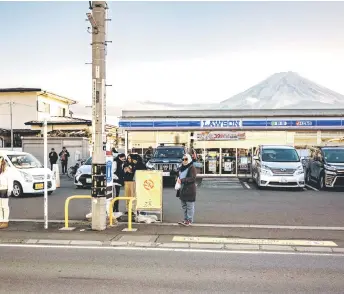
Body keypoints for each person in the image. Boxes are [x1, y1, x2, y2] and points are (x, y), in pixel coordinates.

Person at [176, 154, 197, 226]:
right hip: (182, 190)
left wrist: (182, 180)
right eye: (183, 159)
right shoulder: (182, 168)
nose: (184, 161)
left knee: (189, 206)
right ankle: (185, 219)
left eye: (186, 159)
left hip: (189, 190)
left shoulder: (192, 167)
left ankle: (189, 220)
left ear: (189, 159)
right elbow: (179, 176)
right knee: (184, 206)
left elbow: (192, 178)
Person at [0, 158, 13, 229]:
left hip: (4, 189)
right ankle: (1, 220)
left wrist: (10, 189)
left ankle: (5, 221)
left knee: (4, 206)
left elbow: (10, 180)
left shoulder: (8, 170)